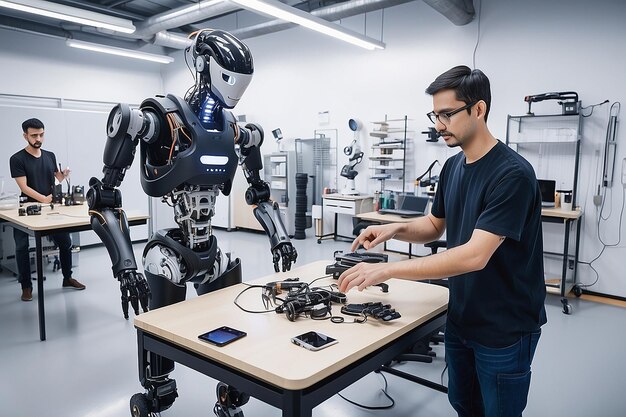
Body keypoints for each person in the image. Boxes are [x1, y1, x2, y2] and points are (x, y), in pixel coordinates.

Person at [338, 65, 546, 417]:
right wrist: (394, 229)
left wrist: (387, 271)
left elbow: (474, 256)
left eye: (447, 114)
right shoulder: (453, 167)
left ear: (478, 110)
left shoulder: (513, 175)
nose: (438, 124)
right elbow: (435, 225)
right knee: (463, 403)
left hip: (504, 327)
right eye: (435, 114)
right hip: (462, 316)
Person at [9, 118, 86, 302]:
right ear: (25, 135)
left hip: (50, 207)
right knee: (21, 246)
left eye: (41, 134)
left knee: (65, 241)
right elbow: (24, 187)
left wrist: (62, 176)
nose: (38, 138)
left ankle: (67, 277)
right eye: (34, 135)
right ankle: (26, 286)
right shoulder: (17, 159)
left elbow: (55, 179)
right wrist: (43, 199)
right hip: (29, 208)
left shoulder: (50, 155)